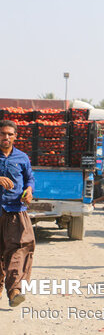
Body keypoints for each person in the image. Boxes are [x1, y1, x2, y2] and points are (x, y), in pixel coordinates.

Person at [0, 120, 35, 307]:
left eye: (9, 134)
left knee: (18, 249)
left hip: (15, 210)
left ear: (15, 136)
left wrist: (29, 191)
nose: (6, 137)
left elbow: (30, 178)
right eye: (3, 134)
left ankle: (14, 290)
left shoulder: (22, 158)